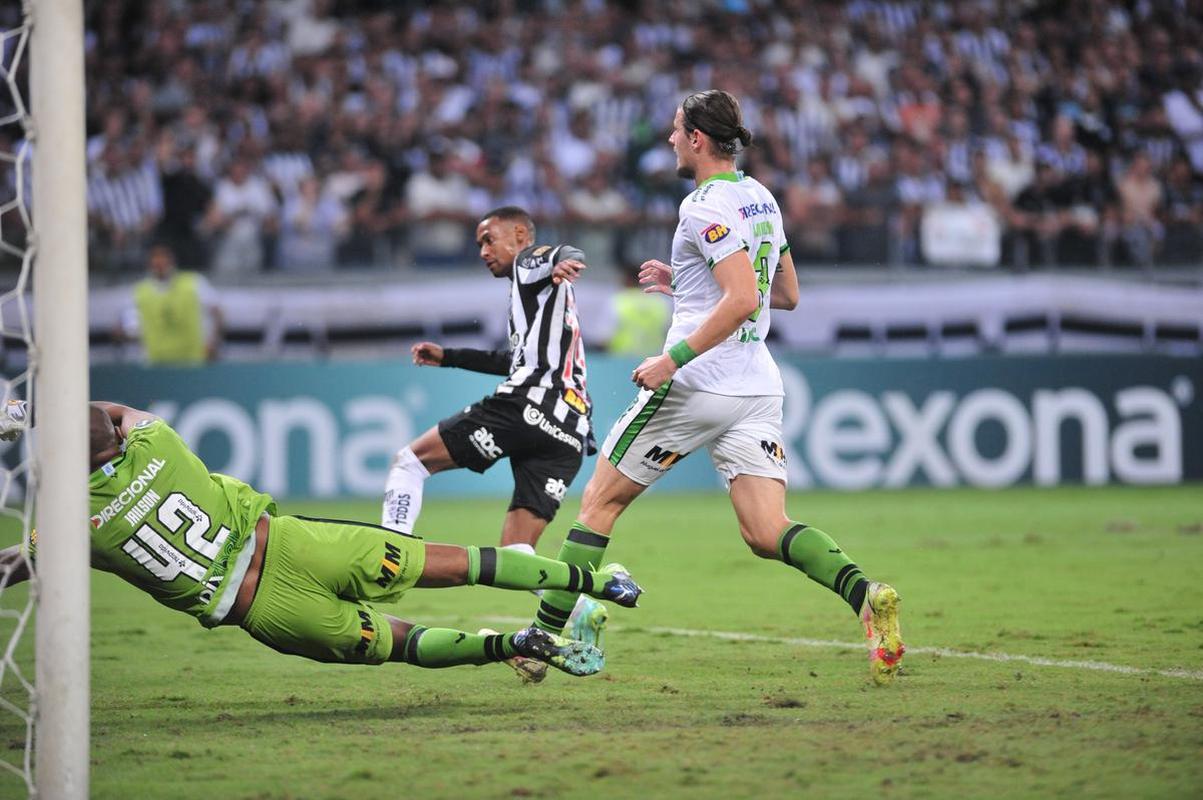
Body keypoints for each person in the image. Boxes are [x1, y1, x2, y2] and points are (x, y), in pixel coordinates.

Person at [530, 90, 904, 685]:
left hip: (697, 384)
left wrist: (669, 360)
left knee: (599, 504)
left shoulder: (701, 207)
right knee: (765, 531)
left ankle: (540, 641)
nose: (671, 140)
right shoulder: (760, 197)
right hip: (756, 385)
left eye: (677, 130)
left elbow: (745, 298)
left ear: (698, 139)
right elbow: (784, 295)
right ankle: (868, 595)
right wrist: (684, 285)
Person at [0, 403, 642, 678]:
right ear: (115, 437)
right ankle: (595, 581)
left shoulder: (72, 522)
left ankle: (511, 645)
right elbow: (109, 414)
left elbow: (15, 565)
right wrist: (37, 409)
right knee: (458, 564)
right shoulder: (156, 441)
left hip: (263, 610)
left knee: (402, 645)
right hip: (295, 544)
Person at [382, 206, 608, 678]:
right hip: (569, 431)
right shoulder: (536, 299)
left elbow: (556, 253)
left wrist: (567, 257)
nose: (483, 251)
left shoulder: (530, 266)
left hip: (527, 407)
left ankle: (391, 554)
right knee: (515, 555)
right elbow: (512, 358)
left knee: (410, 462)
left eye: (489, 240)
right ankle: (581, 606)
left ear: (520, 235)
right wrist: (450, 358)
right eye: (480, 244)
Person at [120, 242, 223, 365]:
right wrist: (124, 333)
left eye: (164, 259)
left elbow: (217, 312)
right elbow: (129, 326)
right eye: (156, 260)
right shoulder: (140, 291)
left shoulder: (193, 283)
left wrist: (213, 343)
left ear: (172, 261)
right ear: (150, 264)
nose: (160, 265)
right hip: (156, 363)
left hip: (193, 362)